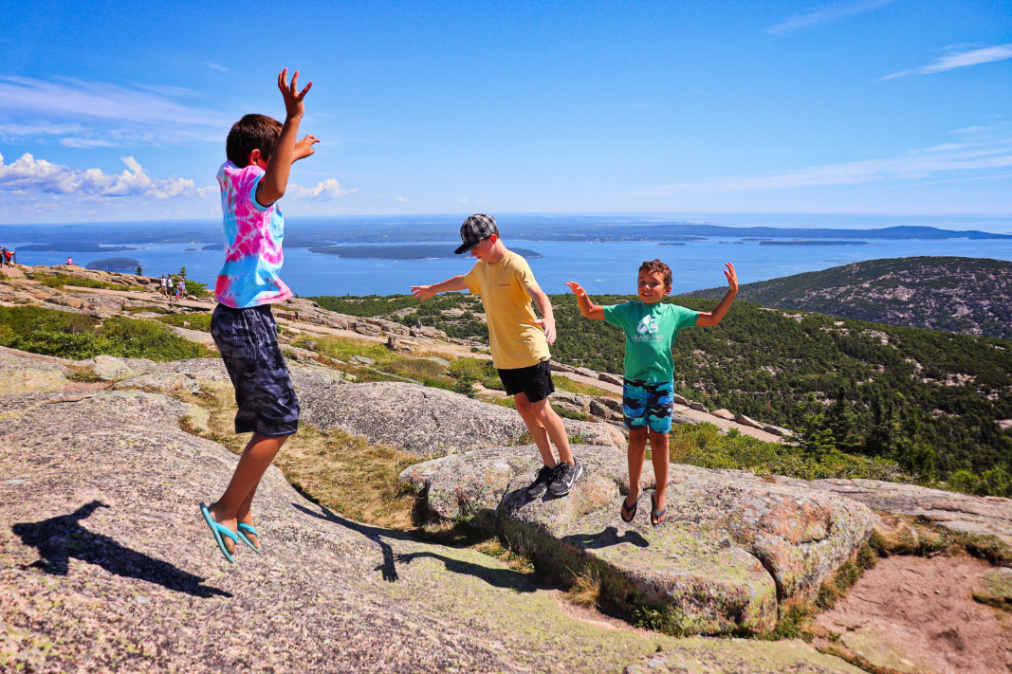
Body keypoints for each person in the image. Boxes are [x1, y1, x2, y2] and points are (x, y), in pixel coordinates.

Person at [200, 69, 319, 563]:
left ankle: (243, 509)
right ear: (258, 160)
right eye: (273, 161)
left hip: (235, 314)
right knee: (281, 420)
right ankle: (226, 509)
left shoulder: (230, 175)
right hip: (247, 317)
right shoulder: (255, 183)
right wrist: (292, 118)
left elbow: (265, 171)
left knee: (263, 417)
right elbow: (273, 185)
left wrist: (289, 149)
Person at [411, 214, 582, 498]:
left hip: (528, 350)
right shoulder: (482, 267)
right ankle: (549, 466)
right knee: (524, 407)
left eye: (475, 247)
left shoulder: (515, 263)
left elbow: (537, 292)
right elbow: (463, 281)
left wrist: (548, 316)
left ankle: (569, 463)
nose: (472, 253)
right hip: (504, 354)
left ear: (492, 238)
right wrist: (433, 289)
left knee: (541, 409)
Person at [566, 260, 737, 526]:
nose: (646, 286)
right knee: (635, 441)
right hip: (634, 386)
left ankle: (661, 492)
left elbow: (713, 318)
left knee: (660, 441)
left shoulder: (674, 313)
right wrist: (582, 296)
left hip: (661, 387)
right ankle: (634, 490)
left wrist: (732, 292)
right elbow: (589, 312)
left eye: (653, 282)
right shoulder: (628, 311)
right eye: (642, 281)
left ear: (666, 289)